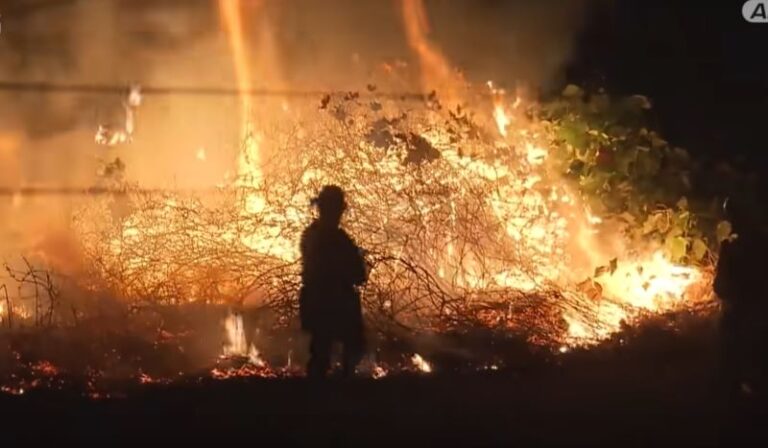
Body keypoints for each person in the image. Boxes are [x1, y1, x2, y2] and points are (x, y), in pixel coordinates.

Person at [299, 185, 368, 379]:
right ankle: (339, 392)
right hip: (334, 302)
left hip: (317, 301)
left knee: (321, 353)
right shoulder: (338, 240)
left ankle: (322, 395)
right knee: (345, 348)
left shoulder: (311, 235)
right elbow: (357, 274)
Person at [713, 196, 767, 397]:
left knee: (731, 347)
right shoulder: (763, 242)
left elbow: (720, 287)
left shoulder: (731, 248)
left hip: (741, 312)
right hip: (759, 311)